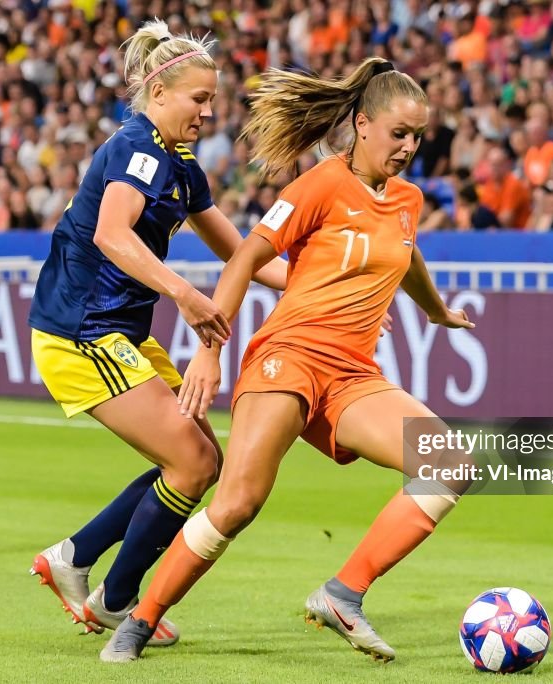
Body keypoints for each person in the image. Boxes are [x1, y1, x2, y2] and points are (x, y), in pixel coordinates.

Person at [98, 57, 475, 663]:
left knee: (449, 463)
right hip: (288, 359)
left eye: (418, 137)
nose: (408, 147)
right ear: (361, 123)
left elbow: (406, 255)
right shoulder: (320, 184)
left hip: (353, 376)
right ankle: (141, 619)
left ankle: (343, 593)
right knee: (239, 501)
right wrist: (209, 353)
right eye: (398, 134)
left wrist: (435, 311)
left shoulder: (407, 199)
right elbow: (244, 258)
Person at [26, 20, 288, 648]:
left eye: (213, 101)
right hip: (81, 332)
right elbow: (110, 235)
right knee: (194, 462)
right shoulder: (136, 147)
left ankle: (76, 557)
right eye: (199, 99)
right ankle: (113, 600)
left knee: (201, 463)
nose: (207, 112)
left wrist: (317, 287)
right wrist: (187, 295)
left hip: (121, 331)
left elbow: (244, 253)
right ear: (160, 93)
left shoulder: (181, 163)